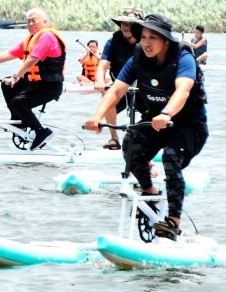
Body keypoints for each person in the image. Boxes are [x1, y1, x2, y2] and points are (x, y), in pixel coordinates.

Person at [84, 13, 208, 241]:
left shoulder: (183, 57)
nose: (147, 43)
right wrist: (97, 116)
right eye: (144, 37)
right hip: (155, 121)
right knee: (131, 146)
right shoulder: (138, 57)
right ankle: (150, 193)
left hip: (189, 126)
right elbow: (117, 90)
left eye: (153, 37)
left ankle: (173, 221)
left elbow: (183, 90)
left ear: (165, 40)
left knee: (171, 158)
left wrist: (167, 112)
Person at [0, 7, 67, 150]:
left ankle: (42, 132)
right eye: (28, 22)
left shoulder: (47, 37)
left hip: (49, 85)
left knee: (18, 102)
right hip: (34, 83)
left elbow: (32, 60)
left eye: (34, 20)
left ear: (44, 22)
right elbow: (9, 54)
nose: (31, 24)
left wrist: (16, 76)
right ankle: (19, 121)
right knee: (7, 84)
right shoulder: (31, 39)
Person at [95, 7, 143, 150]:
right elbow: (102, 66)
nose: (125, 27)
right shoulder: (113, 41)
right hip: (119, 86)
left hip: (143, 87)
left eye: (130, 24)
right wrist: (99, 81)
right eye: (123, 23)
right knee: (106, 98)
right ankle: (114, 139)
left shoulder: (147, 41)